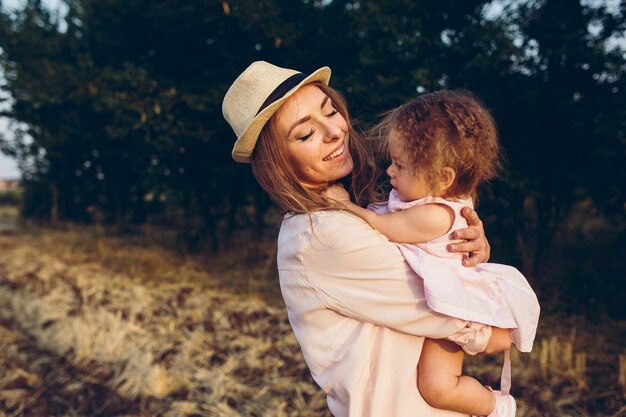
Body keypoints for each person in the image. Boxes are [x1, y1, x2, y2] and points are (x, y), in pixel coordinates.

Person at [222, 61, 512, 417]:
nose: (333, 132)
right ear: (276, 162)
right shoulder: (322, 236)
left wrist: (464, 246)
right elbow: (448, 308)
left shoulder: (363, 206)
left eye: (330, 112)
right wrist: (507, 314)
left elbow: (430, 261)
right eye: (305, 134)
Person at [323, 90, 541, 417]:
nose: (390, 172)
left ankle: (496, 405)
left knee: (438, 387)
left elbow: (383, 226)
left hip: (452, 304)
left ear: (442, 178)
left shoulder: (434, 214)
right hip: (435, 307)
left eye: (399, 165)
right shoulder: (425, 196)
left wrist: (342, 206)